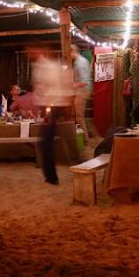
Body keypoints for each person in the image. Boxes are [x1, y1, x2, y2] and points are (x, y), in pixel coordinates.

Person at [32, 48, 74, 185]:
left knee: (46, 141)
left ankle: (52, 177)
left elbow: (52, 87)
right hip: (50, 106)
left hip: (51, 106)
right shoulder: (44, 66)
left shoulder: (49, 67)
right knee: (46, 141)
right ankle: (50, 175)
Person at [70, 45, 92, 145]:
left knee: (79, 117)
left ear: (72, 51)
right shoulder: (83, 61)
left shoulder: (79, 63)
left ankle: (85, 140)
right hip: (83, 90)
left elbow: (83, 81)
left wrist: (72, 85)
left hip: (82, 91)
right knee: (79, 116)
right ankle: (84, 138)